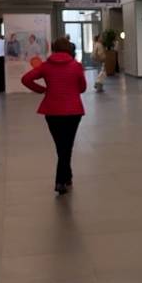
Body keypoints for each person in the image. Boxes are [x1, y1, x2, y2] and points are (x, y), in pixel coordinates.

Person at [21, 36, 87, 195]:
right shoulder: (76, 66)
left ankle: (66, 177)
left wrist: (42, 90)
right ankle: (60, 181)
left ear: (54, 49)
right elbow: (82, 88)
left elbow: (26, 79)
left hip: (52, 111)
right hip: (73, 111)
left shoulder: (46, 66)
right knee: (67, 145)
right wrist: (72, 90)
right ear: (69, 49)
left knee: (61, 146)